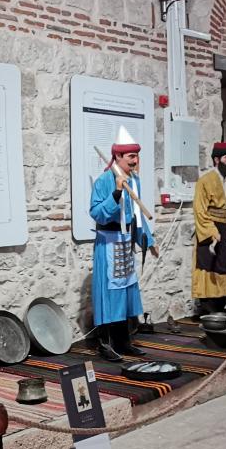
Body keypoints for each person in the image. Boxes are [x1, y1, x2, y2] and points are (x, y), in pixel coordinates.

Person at [90, 127, 158, 362]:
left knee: (126, 293)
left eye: (136, 156)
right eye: (131, 156)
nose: (135, 160)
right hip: (108, 244)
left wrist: (148, 240)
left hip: (126, 243)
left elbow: (136, 216)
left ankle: (123, 341)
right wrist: (116, 193)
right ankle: (105, 344)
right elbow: (97, 213)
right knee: (109, 294)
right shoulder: (104, 181)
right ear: (118, 156)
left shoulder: (134, 180)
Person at [192, 141, 226, 315]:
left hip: (223, 226)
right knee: (208, 264)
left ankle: (221, 301)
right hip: (209, 227)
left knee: (223, 263)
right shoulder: (204, 181)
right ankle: (207, 304)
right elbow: (199, 209)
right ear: (216, 159)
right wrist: (211, 231)